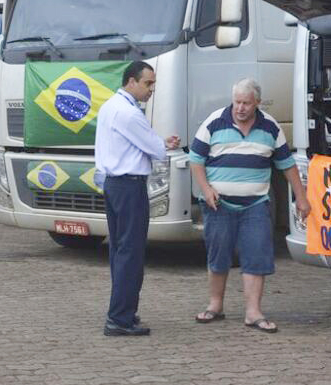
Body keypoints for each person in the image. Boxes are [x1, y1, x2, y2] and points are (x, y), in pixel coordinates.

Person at [189, 78, 311, 333]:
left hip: (256, 204)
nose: (240, 108)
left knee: (256, 255)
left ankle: (253, 312)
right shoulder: (214, 121)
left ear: (257, 102)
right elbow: (196, 159)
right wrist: (207, 189)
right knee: (218, 255)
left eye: (246, 103)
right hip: (218, 203)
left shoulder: (271, 127)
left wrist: (301, 197)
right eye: (237, 102)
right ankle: (215, 305)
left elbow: (286, 165)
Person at [94, 61, 180, 337]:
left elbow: (143, 143)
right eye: (148, 83)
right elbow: (155, 150)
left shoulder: (110, 106)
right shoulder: (129, 113)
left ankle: (123, 311)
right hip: (129, 186)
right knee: (130, 253)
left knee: (120, 251)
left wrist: (158, 143)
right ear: (131, 81)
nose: (151, 89)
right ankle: (120, 317)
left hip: (114, 183)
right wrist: (161, 145)